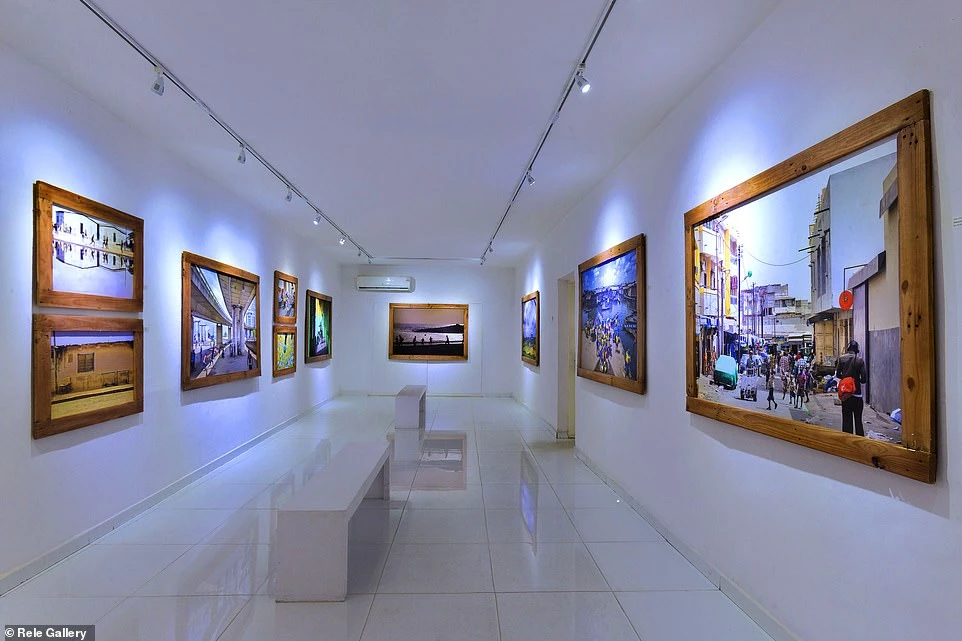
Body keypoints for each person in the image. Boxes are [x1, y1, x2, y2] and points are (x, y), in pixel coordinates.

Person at [835, 340, 867, 436]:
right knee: (858, 420)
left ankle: (847, 440)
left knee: (846, 420)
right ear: (857, 350)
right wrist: (855, 381)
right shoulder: (860, 360)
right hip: (857, 395)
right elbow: (864, 379)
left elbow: (838, 374)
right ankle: (859, 440)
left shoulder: (841, 359)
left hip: (846, 395)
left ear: (848, 348)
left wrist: (846, 379)